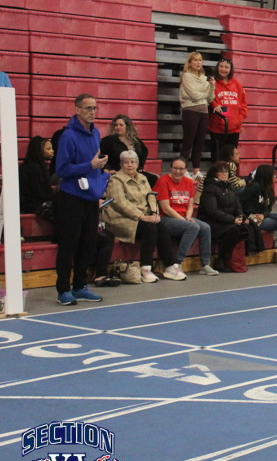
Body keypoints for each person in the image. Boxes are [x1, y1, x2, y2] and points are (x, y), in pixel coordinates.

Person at [53, 94, 110, 306]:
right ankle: (63, 289)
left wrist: (101, 173)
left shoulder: (96, 133)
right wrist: (90, 166)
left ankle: (79, 286)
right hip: (71, 198)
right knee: (69, 245)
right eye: (88, 108)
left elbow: (94, 165)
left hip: (90, 198)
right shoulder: (68, 136)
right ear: (77, 110)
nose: (92, 112)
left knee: (88, 244)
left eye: (95, 108)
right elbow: (62, 169)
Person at [103, 150, 177, 283]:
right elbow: (120, 203)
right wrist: (142, 216)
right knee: (149, 227)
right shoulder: (115, 180)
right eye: (126, 162)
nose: (129, 165)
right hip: (120, 218)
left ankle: (170, 266)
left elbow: (151, 197)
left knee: (159, 225)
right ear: (121, 164)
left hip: (142, 217)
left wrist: (154, 213)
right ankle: (146, 268)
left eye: (132, 162)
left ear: (137, 164)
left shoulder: (143, 178)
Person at [154, 157, 220, 278]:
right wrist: (183, 220)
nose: (178, 171)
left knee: (205, 227)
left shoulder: (188, 182)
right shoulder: (163, 181)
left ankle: (205, 264)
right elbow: (166, 208)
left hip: (183, 216)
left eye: (181, 169)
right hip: (165, 218)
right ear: (170, 168)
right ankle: (177, 263)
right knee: (193, 227)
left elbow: (190, 204)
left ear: (185, 170)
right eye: (175, 168)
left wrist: (188, 217)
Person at [239, 164, 277, 264]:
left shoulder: (268, 189)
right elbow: (239, 201)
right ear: (266, 175)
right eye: (273, 174)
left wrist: (263, 215)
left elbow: (268, 208)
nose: (275, 176)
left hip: (261, 216)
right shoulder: (254, 187)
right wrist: (244, 217)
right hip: (251, 217)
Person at [197, 161, 250, 271]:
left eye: (226, 171)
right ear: (214, 173)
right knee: (234, 229)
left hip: (226, 221)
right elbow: (212, 211)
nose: (225, 174)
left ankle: (236, 259)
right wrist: (232, 220)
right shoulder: (209, 188)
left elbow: (237, 206)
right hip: (210, 221)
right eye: (221, 171)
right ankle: (221, 259)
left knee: (245, 227)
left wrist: (241, 216)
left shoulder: (230, 187)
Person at [179, 51, 214, 176]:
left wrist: (212, 87)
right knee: (188, 141)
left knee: (199, 142)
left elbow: (210, 98)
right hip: (191, 110)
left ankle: (196, 170)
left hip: (204, 110)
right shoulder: (187, 76)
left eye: (200, 60)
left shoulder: (205, 78)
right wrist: (205, 94)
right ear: (190, 63)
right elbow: (193, 95)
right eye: (195, 60)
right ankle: (183, 169)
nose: (198, 62)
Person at [208, 57, 248, 162]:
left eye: (226, 67)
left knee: (232, 158)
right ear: (217, 67)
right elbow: (209, 99)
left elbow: (243, 104)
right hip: (217, 128)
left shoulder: (236, 83)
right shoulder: (213, 82)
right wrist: (215, 106)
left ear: (230, 69)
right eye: (221, 66)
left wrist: (239, 119)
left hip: (234, 129)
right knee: (217, 158)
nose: (223, 69)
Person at [100, 114, 156, 186]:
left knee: (154, 179)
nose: (118, 127)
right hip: (117, 171)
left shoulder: (135, 140)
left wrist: (140, 166)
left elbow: (145, 151)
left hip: (134, 171)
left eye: (121, 125)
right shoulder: (108, 140)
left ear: (127, 126)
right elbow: (102, 156)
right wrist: (107, 169)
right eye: (116, 125)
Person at [19, 136, 56, 216]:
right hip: (31, 205)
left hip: (33, 202)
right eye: (48, 149)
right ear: (39, 150)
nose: (52, 151)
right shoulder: (34, 168)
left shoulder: (35, 166)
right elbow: (40, 193)